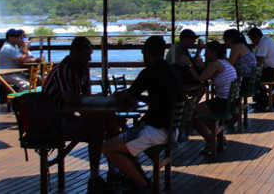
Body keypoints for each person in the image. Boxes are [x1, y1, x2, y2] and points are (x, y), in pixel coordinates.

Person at [103, 36, 184, 193]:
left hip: (157, 131)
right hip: (172, 129)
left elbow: (127, 95)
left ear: (147, 53)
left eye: (143, 53)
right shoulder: (173, 70)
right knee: (125, 137)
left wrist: (112, 97)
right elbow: (161, 96)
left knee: (108, 148)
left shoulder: (150, 72)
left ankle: (144, 186)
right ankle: (139, 180)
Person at [41, 36, 119, 188]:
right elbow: (72, 99)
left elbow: (83, 99)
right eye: (87, 55)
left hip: (68, 115)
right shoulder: (63, 70)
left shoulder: (81, 69)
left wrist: (97, 104)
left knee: (109, 121)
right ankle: (95, 176)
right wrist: (98, 103)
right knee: (96, 128)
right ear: (75, 52)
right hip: (54, 121)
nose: (89, 58)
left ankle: (114, 170)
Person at [191, 41, 237, 156]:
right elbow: (207, 72)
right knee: (198, 112)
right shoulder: (224, 63)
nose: (205, 54)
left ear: (214, 53)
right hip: (230, 102)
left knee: (192, 114)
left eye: (207, 52)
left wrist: (189, 67)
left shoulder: (216, 64)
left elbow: (201, 78)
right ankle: (217, 138)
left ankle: (211, 141)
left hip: (223, 103)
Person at [248, 27, 274, 111]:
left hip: (271, 71)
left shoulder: (263, 42)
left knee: (251, 78)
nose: (251, 41)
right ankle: (262, 99)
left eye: (251, 39)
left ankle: (262, 101)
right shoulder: (265, 40)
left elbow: (260, 59)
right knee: (253, 76)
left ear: (256, 37)